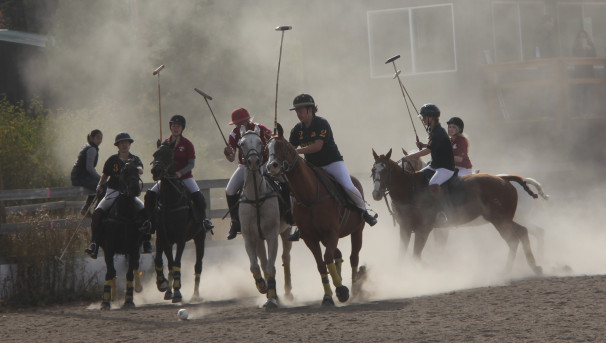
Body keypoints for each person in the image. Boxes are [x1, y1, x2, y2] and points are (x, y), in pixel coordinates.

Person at [288, 93, 378, 230]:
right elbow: (291, 148)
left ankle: (364, 212)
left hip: (332, 163)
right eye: (297, 111)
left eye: (301, 110)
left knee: (348, 186)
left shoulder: (321, 123)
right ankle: (299, 225)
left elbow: (318, 146)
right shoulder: (297, 130)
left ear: (310, 109)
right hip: (312, 166)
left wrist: (296, 152)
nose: (298, 114)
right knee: (296, 191)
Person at [144, 115, 214, 241]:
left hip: (185, 178)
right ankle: (150, 224)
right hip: (167, 179)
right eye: (173, 126)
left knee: (199, 197)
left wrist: (180, 173)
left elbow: (191, 164)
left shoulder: (187, 144)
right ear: (170, 127)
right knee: (150, 195)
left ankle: (204, 222)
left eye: (178, 126)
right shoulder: (164, 144)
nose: (175, 128)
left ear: (182, 128)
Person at [85, 132, 145, 259]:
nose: (124, 145)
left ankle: (146, 240)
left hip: (129, 194)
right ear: (118, 145)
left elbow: (141, 169)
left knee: (144, 211)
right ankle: (94, 243)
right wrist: (100, 186)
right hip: (113, 192)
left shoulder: (134, 159)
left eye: (126, 142)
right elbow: (105, 175)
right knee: (96, 214)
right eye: (121, 143)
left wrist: (137, 169)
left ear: (129, 144)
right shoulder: (112, 160)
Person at [223, 108, 276, 240]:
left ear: (248, 120)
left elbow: (273, 141)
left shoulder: (260, 128)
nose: (239, 125)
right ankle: (235, 222)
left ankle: (288, 213)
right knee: (229, 190)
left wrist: (273, 137)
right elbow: (231, 158)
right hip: (244, 166)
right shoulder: (234, 134)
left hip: (263, 163)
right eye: (237, 123)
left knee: (283, 181)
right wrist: (228, 153)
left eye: (242, 122)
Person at [403, 104, 455, 224]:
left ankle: (444, 212)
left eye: (425, 117)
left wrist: (410, 156)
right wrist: (423, 144)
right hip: (434, 165)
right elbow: (432, 146)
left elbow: (427, 151)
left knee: (433, 184)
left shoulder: (439, 132)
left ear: (432, 117)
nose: (423, 119)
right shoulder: (434, 131)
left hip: (445, 168)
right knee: (416, 178)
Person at [71, 129, 103, 216]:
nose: (99, 140)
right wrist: (101, 178)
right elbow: (89, 168)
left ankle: (86, 209)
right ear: (92, 138)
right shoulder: (92, 149)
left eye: (101, 138)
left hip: (78, 176)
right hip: (80, 178)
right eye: (97, 138)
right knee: (102, 186)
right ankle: (98, 211)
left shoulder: (88, 146)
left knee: (98, 185)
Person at [571, 29, 597, 115]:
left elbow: (594, 56)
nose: (582, 39)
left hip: (589, 74)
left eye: (584, 37)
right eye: (580, 37)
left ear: (587, 38)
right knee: (580, 95)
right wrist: (582, 48)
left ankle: (590, 113)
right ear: (578, 39)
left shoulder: (591, 46)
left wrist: (588, 49)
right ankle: (581, 113)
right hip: (579, 74)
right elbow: (575, 57)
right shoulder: (575, 47)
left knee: (589, 95)